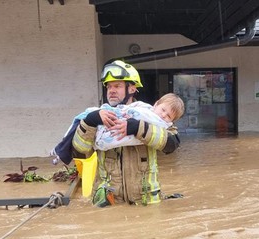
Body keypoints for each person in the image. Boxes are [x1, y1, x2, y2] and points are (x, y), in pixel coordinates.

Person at [72, 60, 182, 206]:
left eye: (117, 86)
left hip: (145, 203)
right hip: (109, 202)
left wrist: (138, 128)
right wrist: (90, 122)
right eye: (109, 86)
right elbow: (79, 150)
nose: (111, 90)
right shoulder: (97, 117)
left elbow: (171, 144)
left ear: (131, 88)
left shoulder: (152, 116)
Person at [94, 93, 184, 151]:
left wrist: (137, 127)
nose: (164, 115)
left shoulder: (166, 127)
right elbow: (82, 147)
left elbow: (172, 143)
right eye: (163, 110)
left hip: (139, 178)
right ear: (156, 104)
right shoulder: (140, 107)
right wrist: (91, 119)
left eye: (168, 116)